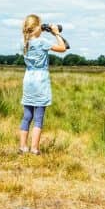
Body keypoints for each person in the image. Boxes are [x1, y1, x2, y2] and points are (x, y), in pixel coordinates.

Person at [19, 14, 66, 155]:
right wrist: (56, 33)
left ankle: (22, 147)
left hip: (28, 80)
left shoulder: (23, 43)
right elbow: (63, 48)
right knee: (38, 117)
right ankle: (34, 148)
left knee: (27, 116)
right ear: (36, 27)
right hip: (41, 82)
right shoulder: (42, 42)